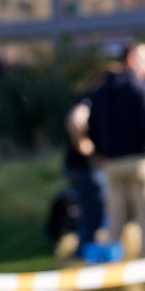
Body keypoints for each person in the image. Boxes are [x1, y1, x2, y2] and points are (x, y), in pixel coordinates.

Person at [88, 41, 145, 258]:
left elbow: (92, 123)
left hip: (112, 164)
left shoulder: (100, 90)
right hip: (141, 161)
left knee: (114, 225)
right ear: (132, 60)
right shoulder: (143, 87)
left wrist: (100, 151)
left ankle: (111, 276)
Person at [63, 65, 119, 255]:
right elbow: (75, 121)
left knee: (91, 210)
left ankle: (86, 250)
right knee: (92, 212)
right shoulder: (91, 97)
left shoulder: (92, 97)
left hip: (80, 167)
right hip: (84, 167)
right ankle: (84, 252)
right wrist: (85, 147)